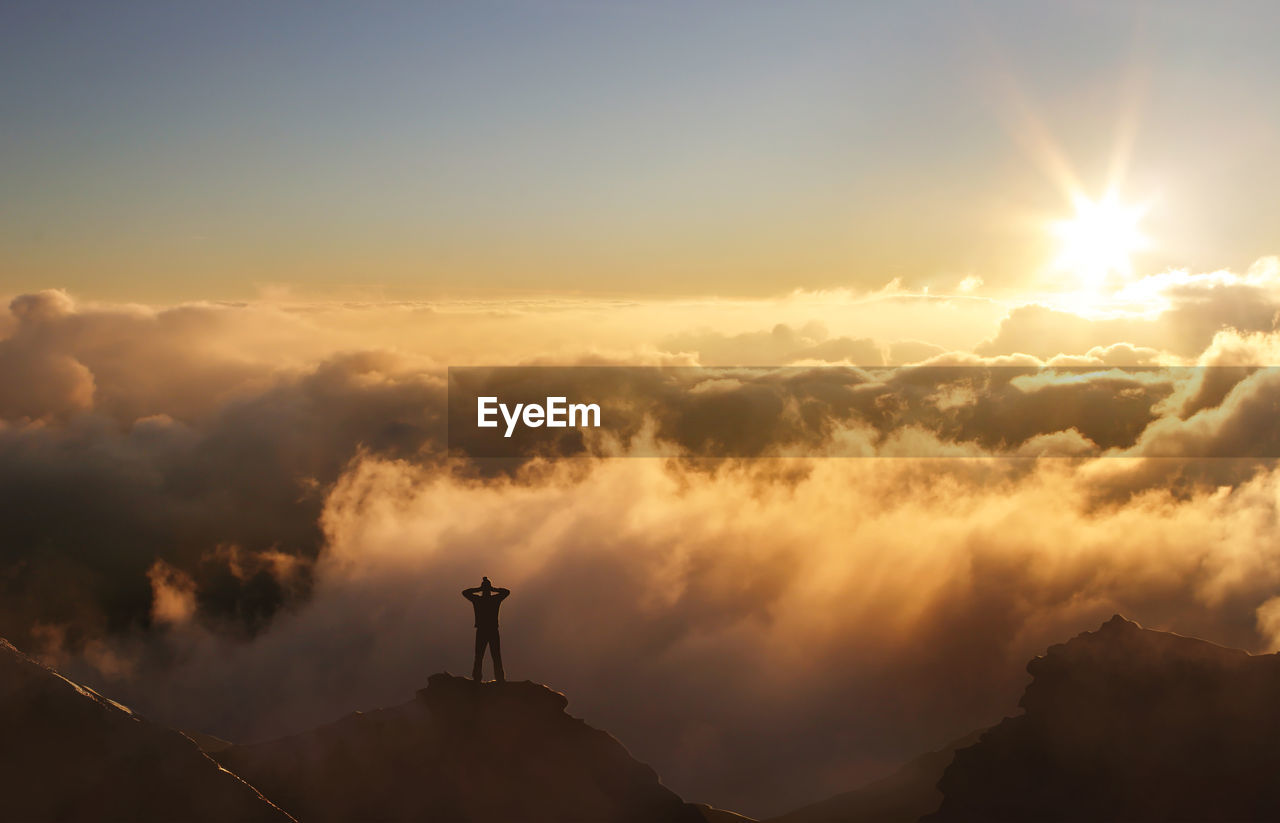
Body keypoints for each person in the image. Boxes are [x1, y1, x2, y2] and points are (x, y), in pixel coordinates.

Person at [461, 577, 509, 683]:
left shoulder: (478, 600)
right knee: (493, 655)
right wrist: (493, 589)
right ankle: (498, 678)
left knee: (481, 655)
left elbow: (465, 593)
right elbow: (506, 592)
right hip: (490, 630)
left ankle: (478, 678)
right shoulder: (494, 599)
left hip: (484, 630)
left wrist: (479, 589)